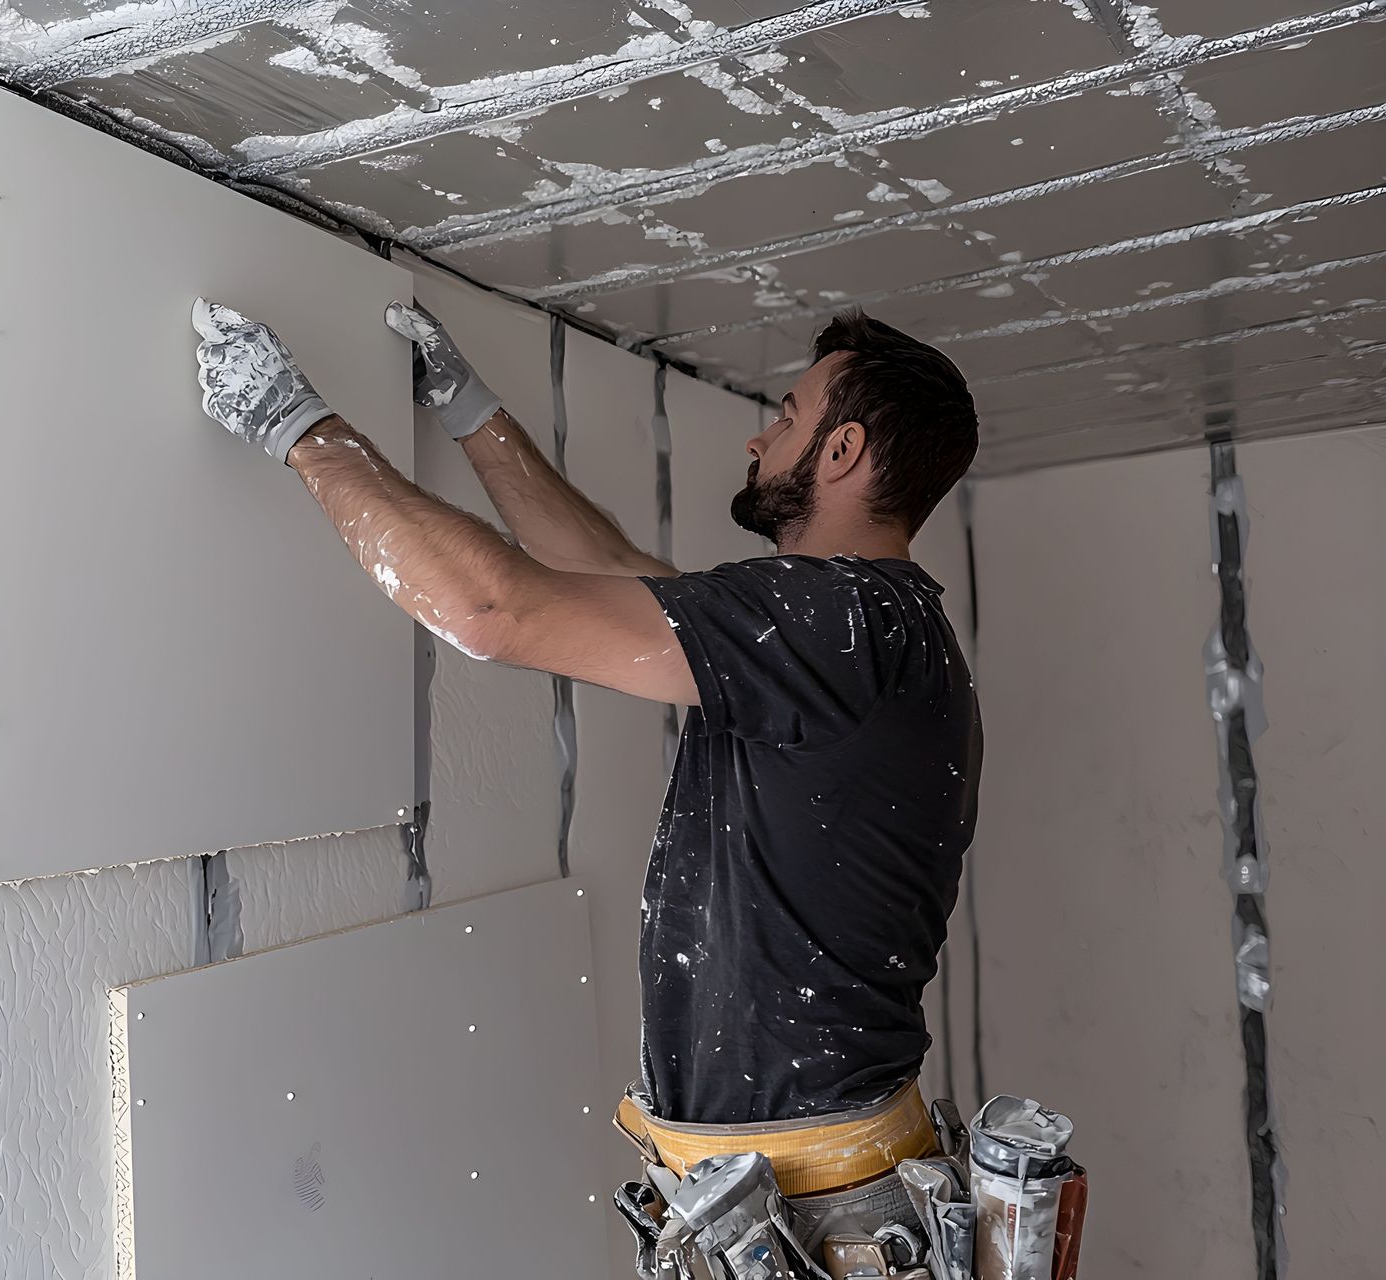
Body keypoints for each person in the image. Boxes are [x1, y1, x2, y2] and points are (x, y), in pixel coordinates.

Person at [189, 296, 983, 1252]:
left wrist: (298, 427)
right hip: (804, 1184)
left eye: (787, 415)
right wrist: (470, 409)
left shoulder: (842, 621)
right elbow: (612, 570)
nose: (757, 437)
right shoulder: (863, 631)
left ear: (845, 451)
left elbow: (491, 611)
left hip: (817, 1201)